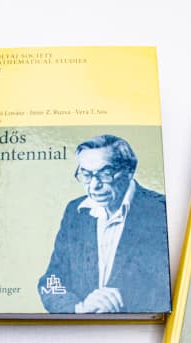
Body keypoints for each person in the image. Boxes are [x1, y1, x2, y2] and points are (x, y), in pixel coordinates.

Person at [38, 134, 171, 314]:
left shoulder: (161, 210)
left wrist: (123, 301)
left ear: (129, 171)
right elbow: (50, 281)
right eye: (86, 174)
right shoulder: (75, 212)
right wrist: (78, 309)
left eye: (105, 174)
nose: (94, 185)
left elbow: (172, 287)